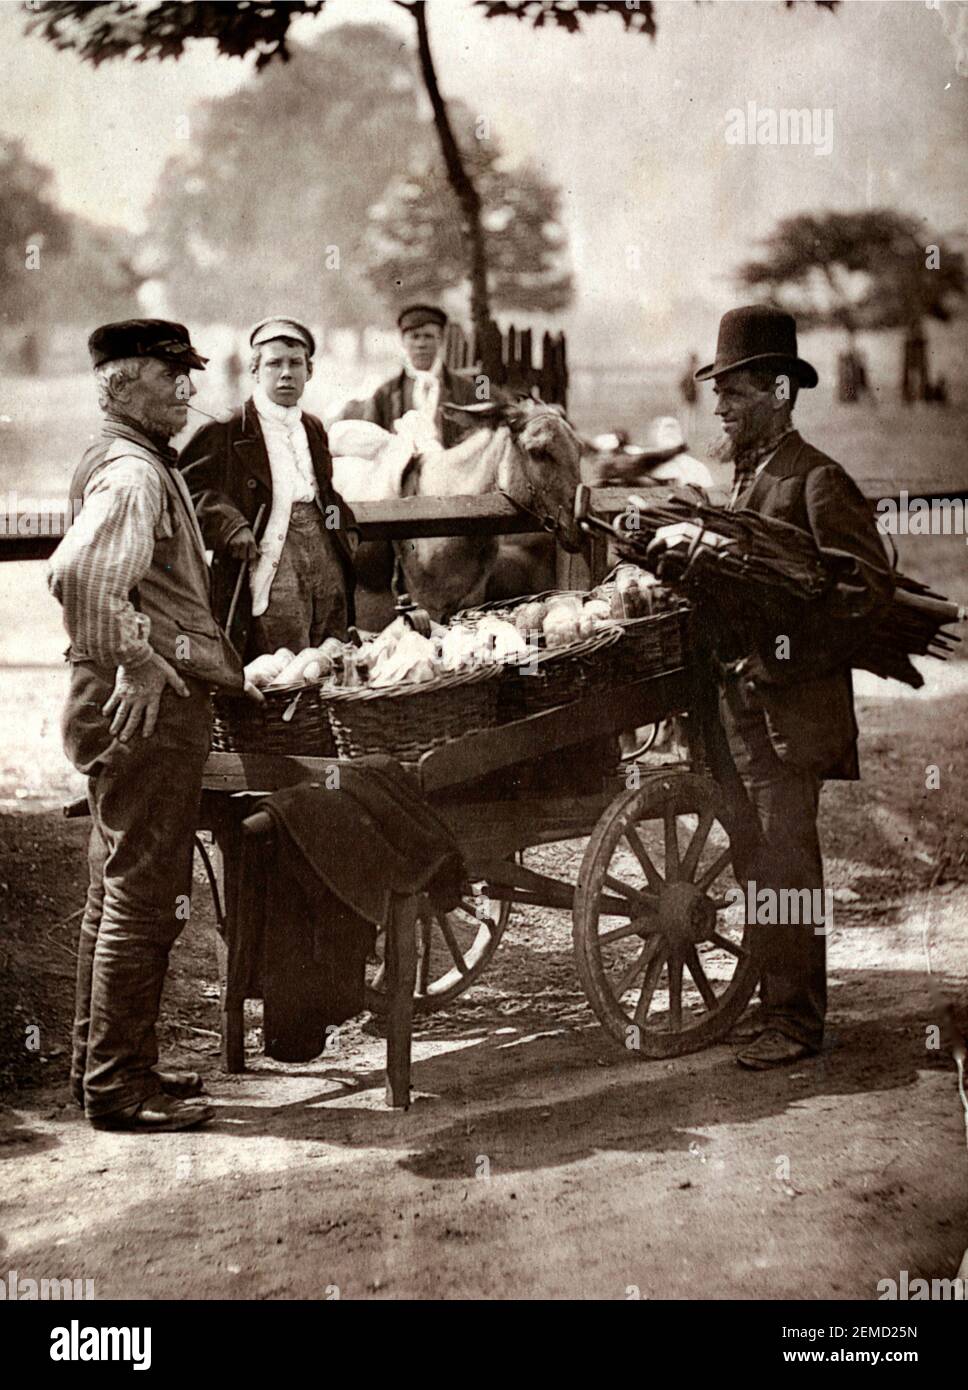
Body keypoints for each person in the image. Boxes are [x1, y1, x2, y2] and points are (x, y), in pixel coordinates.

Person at [48, 318, 252, 1132]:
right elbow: (78, 577)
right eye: (174, 377)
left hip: (121, 706)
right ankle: (118, 1091)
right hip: (143, 709)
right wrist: (136, 661)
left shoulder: (120, 459)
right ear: (123, 382)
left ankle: (101, 1069)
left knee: (112, 891)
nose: (189, 390)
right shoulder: (133, 474)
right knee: (142, 896)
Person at [693, 305, 893, 1069]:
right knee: (760, 862)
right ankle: (778, 1004)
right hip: (741, 713)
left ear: (779, 391)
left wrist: (773, 659)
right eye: (720, 392)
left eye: (736, 392)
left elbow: (865, 596)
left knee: (788, 864)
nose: (721, 406)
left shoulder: (817, 482)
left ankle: (799, 1021)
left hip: (786, 711)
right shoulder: (749, 481)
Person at [177, 316, 357, 661]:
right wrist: (230, 525)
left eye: (295, 364)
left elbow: (325, 491)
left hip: (322, 552)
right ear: (255, 370)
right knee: (283, 659)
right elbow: (187, 489)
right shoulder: (229, 427)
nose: (286, 373)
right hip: (268, 557)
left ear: (310, 371)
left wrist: (345, 529)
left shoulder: (313, 427)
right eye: (275, 363)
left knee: (329, 649)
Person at [346, 304, 480, 449]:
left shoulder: (466, 390)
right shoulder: (384, 394)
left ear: (440, 340)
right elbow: (369, 442)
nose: (421, 344)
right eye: (414, 337)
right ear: (403, 341)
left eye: (428, 336)